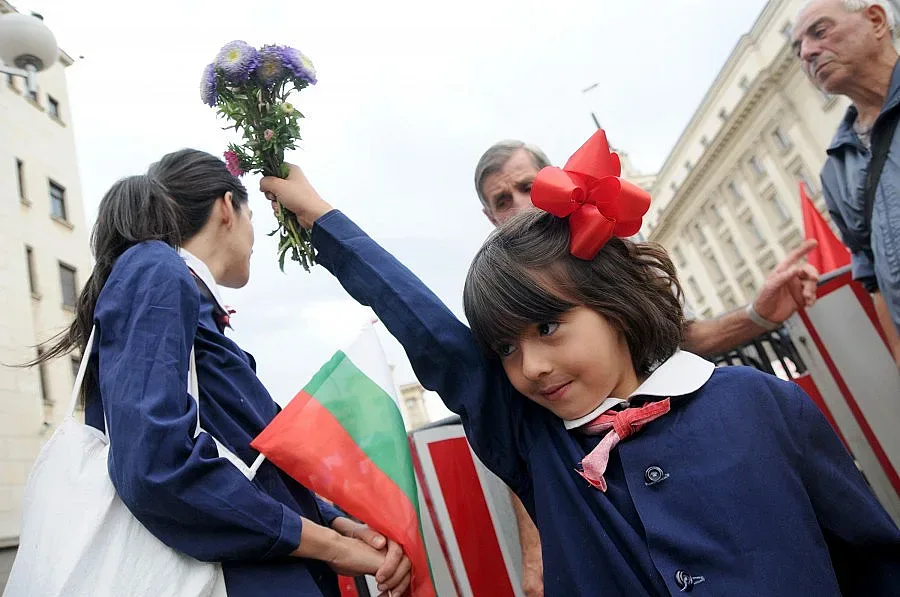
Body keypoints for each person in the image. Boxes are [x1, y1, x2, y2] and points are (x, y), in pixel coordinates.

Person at [259, 140, 900, 595]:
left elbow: (871, 559)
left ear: (615, 306)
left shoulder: (764, 404)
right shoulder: (536, 443)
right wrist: (322, 220)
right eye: (506, 347)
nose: (531, 366)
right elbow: (432, 335)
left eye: (547, 327)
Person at [35, 149, 411, 597]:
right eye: (253, 215)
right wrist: (332, 546)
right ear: (226, 208)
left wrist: (336, 522)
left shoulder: (184, 299)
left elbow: (243, 462)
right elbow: (158, 465)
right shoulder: (157, 270)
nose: (254, 237)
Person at [473, 138, 822, 594]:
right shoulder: (494, 300)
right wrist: (538, 549)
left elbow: (677, 334)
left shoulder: (606, 246)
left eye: (527, 187)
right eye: (502, 200)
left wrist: (754, 317)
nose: (518, 204)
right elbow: (524, 438)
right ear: (489, 216)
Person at [792, 0, 900, 364]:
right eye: (798, 49)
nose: (807, 52)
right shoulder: (835, 171)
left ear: (875, 20)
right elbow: (875, 283)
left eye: (819, 32)